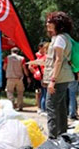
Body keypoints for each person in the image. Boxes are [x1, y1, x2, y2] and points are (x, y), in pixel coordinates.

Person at [43, 11, 75, 139]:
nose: (47, 24)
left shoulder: (60, 38)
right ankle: (62, 137)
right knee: (60, 108)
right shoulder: (64, 37)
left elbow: (58, 60)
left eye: (50, 22)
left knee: (51, 107)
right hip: (64, 76)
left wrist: (52, 80)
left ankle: (52, 139)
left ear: (57, 23)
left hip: (59, 77)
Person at [28, 42, 48, 115]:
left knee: (42, 92)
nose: (45, 49)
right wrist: (36, 72)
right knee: (39, 92)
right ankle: (39, 107)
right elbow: (30, 66)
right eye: (44, 47)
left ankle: (41, 107)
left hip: (43, 76)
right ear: (40, 47)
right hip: (37, 77)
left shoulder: (45, 55)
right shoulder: (35, 55)